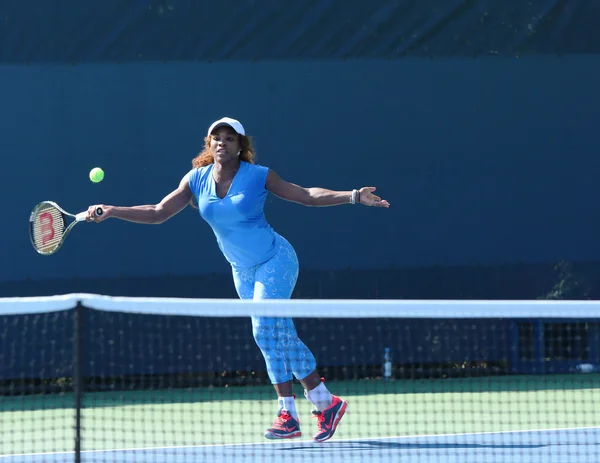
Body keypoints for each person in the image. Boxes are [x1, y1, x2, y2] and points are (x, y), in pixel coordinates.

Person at [85, 117, 390, 443]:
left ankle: (287, 413)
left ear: (240, 145)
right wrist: (114, 210)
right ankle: (325, 404)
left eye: (229, 138)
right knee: (277, 335)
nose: (222, 143)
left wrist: (354, 196)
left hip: (276, 260)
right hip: (242, 271)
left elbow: (306, 195)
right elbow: (158, 211)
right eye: (216, 137)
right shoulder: (196, 180)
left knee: (263, 326)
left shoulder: (259, 176)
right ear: (208, 143)